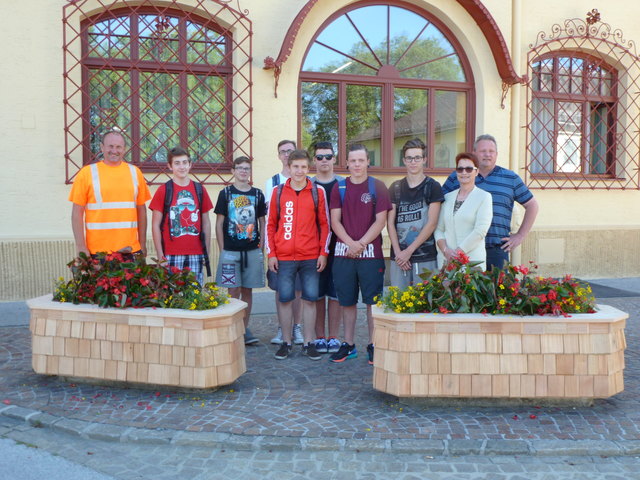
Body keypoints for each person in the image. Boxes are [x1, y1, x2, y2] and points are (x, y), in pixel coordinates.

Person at [329, 144, 392, 365]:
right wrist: (350, 243)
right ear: (347, 163)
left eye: (360, 160)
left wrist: (362, 244)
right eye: (352, 161)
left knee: (372, 303)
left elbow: (381, 221)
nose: (356, 164)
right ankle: (348, 344)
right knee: (346, 302)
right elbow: (334, 221)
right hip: (343, 254)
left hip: (371, 254)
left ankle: (373, 345)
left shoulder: (378, 187)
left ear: (367, 162)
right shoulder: (340, 188)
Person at [266, 150, 330, 361]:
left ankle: (309, 342)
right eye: (296, 167)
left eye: (303, 167)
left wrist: (323, 252)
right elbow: (270, 224)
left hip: (310, 256)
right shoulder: (277, 192)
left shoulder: (317, 192)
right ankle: (286, 342)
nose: (300, 171)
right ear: (289, 168)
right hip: (283, 257)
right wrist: (271, 253)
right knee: (285, 299)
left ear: (308, 168)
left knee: (310, 299)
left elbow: (325, 224)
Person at [442, 134, 539, 270]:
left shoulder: (510, 178)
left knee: (498, 290)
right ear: (474, 153)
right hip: (466, 249)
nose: (487, 155)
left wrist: (520, 235)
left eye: (491, 151)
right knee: (466, 290)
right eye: (483, 151)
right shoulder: (459, 176)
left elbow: (532, 205)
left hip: (497, 249)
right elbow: (440, 203)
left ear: (496, 154)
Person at [69, 129, 151, 257]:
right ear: (102, 147)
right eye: (110, 146)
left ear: (124, 149)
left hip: (130, 250)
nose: (114, 150)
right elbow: (76, 213)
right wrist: (80, 246)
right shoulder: (86, 173)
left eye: (119, 147)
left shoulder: (135, 173)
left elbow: (141, 211)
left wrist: (142, 243)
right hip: (97, 252)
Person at [214, 156, 267, 345]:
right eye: (240, 168)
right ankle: (232, 329)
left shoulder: (258, 194)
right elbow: (219, 223)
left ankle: (244, 330)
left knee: (247, 291)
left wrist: (261, 246)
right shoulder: (226, 193)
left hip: (252, 251)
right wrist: (222, 249)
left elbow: (262, 221)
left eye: (247, 168)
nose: (243, 171)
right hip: (230, 251)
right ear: (233, 171)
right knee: (232, 290)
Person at [149, 147, 213, 285]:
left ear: (190, 164)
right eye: (177, 163)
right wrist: (160, 255)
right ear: (170, 166)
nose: (182, 166)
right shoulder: (164, 190)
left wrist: (206, 251)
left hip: (196, 253)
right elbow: (155, 224)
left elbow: (206, 222)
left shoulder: (199, 189)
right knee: (173, 297)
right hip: (170, 254)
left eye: (184, 162)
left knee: (194, 295)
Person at [387, 138, 444, 288]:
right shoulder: (395, 187)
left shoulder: (432, 186)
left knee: (424, 304)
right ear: (404, 160)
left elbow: (432, 223)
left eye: (417, 157)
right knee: (398, 303)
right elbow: (390, 223)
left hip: (425, 256)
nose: (413, 162)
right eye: (409, 158)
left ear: (424, 159)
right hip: (399, 258)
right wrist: (400, 253)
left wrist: (409, 252)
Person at [264, 139, 304, 345]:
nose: (287, 154)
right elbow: (268, 220)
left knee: (298, 290)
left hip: (302, 248)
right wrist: (269, 250)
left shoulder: (306, 181)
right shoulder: (271, 183)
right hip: (279, 248)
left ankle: (296, 327)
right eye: (283, 152)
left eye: (290, 151)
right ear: (279, 156)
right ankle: (282, 328)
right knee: (281, 289)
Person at [311, 141, 344, 354]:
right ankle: (319, 337)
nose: (324, 160)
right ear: (314, 160)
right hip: (313, 248)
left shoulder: (343, 185)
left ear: (334, 159)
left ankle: (333, 336)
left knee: (335, 294)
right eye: (320, 157)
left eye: (328, 156)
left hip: (339, 246)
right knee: (316, 294)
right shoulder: (308, 185)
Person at [435, 153, 492, 270]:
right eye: (460, 169)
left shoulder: (484, 197)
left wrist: (457, 253)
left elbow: (480, 231)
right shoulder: (447, 197)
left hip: (472, 262)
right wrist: (446, 250)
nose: (464, 172)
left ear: (476, 172)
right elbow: (439, 229)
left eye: (469, 169)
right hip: (446, 262)